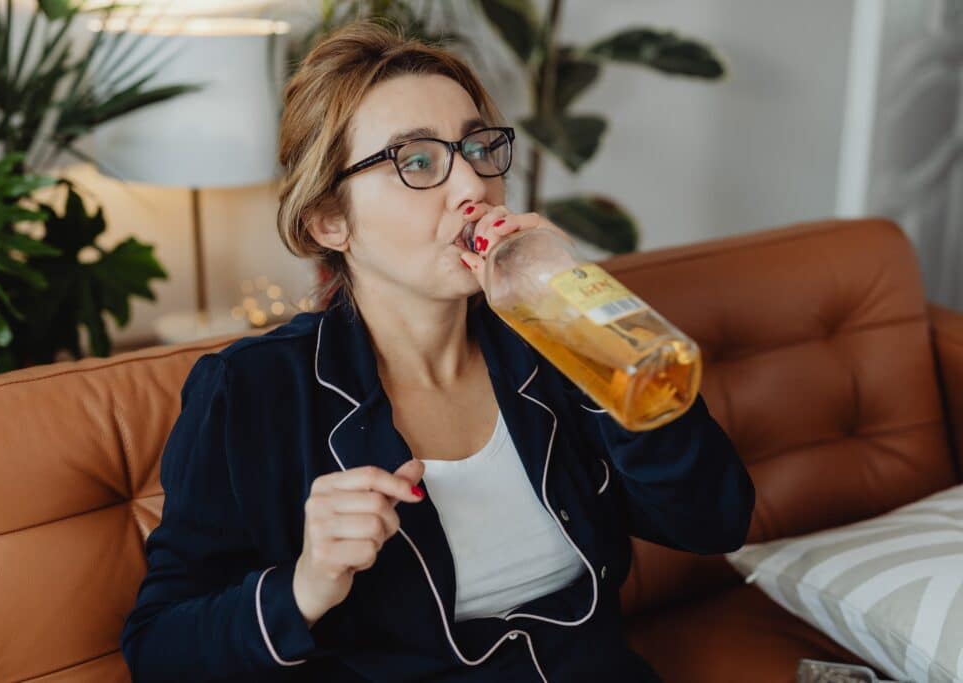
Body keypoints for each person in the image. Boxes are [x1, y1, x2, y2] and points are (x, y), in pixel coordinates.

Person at [120, 20, 755, 682]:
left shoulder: (557, 339)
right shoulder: (250, 391)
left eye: (480, 148)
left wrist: (588, 324)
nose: (474, 187)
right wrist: (305, 585)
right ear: (329, 220)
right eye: (417, 161)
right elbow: (159, 648)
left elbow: (716, 520)